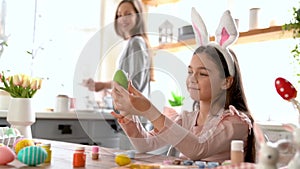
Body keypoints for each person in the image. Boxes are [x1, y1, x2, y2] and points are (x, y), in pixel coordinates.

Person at [110, 9, 256, 163]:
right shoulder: (187, 120)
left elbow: (197, 148)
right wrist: (128, 112)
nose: (192, 79)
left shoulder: (236, 123)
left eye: (203, 74)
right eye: (190, 71)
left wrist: (148, 110)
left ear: (226, 82)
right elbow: (145, 144)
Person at [83, 0, 151, 96]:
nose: (123, 19)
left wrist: (113, 92)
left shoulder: (136, 43)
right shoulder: (130, 42)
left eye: (128, 14)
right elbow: (125, 82)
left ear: (138, 17)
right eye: (120, 15)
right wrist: (102, 85)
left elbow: (135, 86)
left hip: (133, 109)